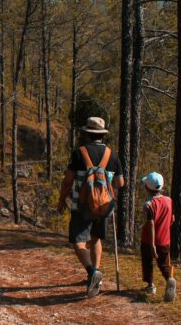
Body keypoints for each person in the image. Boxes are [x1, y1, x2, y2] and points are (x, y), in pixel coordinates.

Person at [57, 117, 124, 298]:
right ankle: (96, 276)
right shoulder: (112, 155)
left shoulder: (79, 153)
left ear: (87, 134)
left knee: (78, 242)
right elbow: (120, 183)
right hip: (104, 206)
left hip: (82, 205)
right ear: (103, 135)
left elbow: (68, 180)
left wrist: (62, 199)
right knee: (96, 239)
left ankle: (92, 271)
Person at [140, 172, 176, 302]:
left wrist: (152, 245)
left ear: (147, 188)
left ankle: (150, 285)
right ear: (162, 187)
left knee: (147, 262)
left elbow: (150, 224)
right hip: (165, 240)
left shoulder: (148, 205)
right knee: (164, 264)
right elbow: (172, 219)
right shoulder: (169, 201)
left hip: (148, 240)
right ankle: (169, 279)